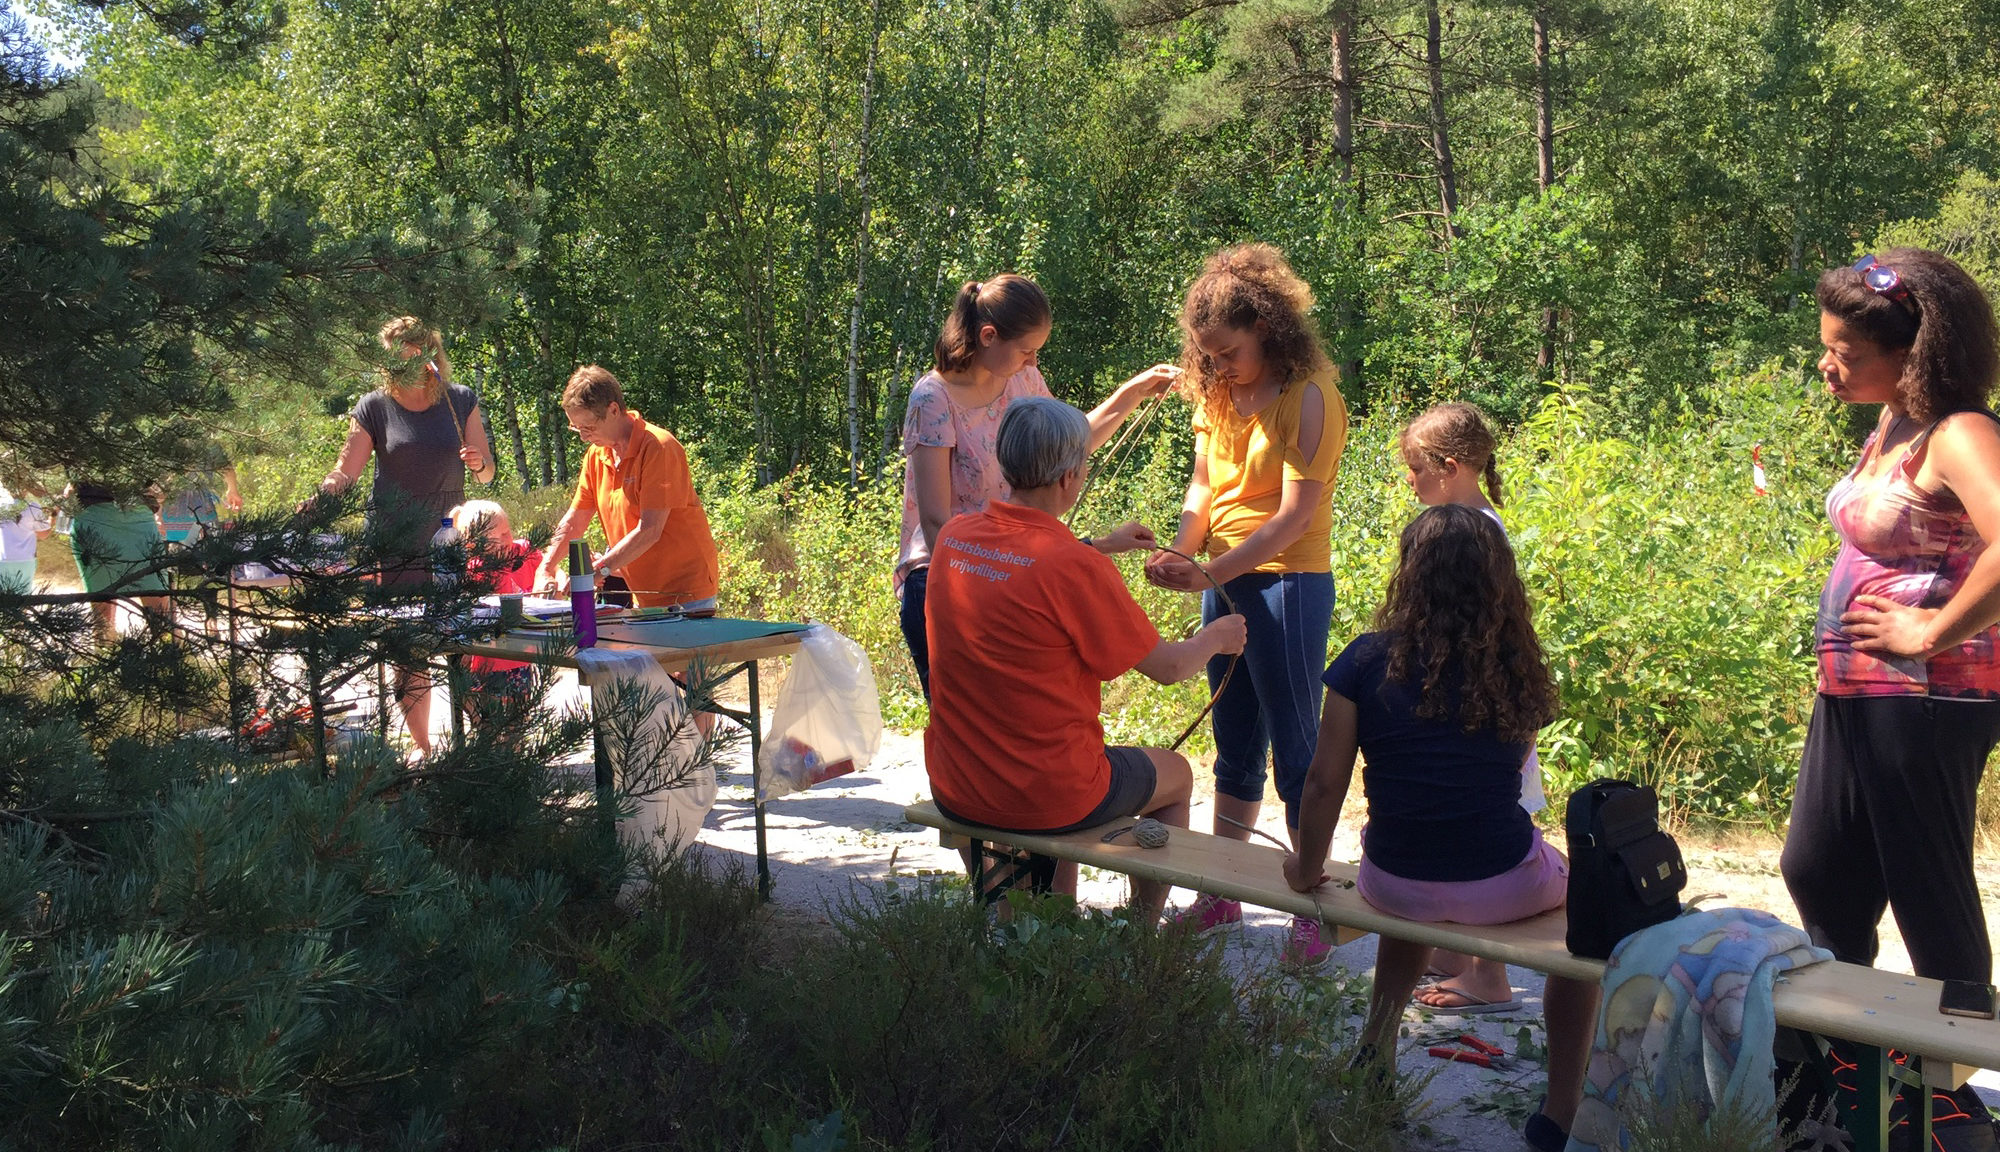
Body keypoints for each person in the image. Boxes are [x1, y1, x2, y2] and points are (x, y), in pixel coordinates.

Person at [1282, 504, 1593, 1152]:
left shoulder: (1365, 661)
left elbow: (1322, 784)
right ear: (1500, 583)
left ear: (1410, 575)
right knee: (1582, 917)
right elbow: (1503, 777)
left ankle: (1377, 1043)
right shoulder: (1519, 667)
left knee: (1421, 867)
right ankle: (1561, 1111)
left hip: (1391, 880)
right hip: (1500, 887)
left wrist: (1306, 871)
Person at [923, 398, 1247, 917]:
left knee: (1051, 799)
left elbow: (1025, 561)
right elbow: (1167, 668)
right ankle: (1142, 935)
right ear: (1071, 476)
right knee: (1177, 776)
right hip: (1049, 794)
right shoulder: (1072, 566)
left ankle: (1028, 924)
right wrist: (1218, 636)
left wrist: (1102, 544)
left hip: (956, 782)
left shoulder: (956, 538)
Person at [1781, 249, 2000, 994]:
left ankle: (1953, 1099)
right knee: (1816, 871)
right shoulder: (1894, 420)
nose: (1826, 365)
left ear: (1916, 354)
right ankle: (1849, 1070)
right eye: (1826, 347)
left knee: (1926, 892)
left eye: (1847, 353)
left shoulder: (1959, 432)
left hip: (1927, 698)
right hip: (1857, 696)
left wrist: (1930, 631)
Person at [1143, 243, 1349, 967]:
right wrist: (1180, 552)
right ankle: (1222, 894)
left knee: (1296, 748)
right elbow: (1204, 487)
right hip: (1224, 577)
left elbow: (1294, 517)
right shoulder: (1217, 393)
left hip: (1288, 582)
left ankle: (1311, 902)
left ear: (1267, 327)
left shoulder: (1311, 395)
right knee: (1234, 743)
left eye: (1227, 351)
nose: (1217, 365)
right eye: (1206, 354)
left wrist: (1210, 573)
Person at [896, 274, 1179, 698]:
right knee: (966, 727)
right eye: (1027, 350)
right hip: (947, 580)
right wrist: (986, 590)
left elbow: (1068, 438)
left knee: (1009, 732)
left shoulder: (1022, 381)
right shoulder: (933, 399)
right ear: (989, 336)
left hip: (1008, 574)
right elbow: (938, 522)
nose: (1032, 362)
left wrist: (1133, 391)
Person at [1396, 401, 1546, 1013]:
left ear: (1450, 467)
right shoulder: (1462, 523)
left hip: (1490, 708)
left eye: (1414, 468)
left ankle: (1489, 975)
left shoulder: (1482, 533)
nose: (1409, 480)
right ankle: (1456, 952)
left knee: (1501, 822)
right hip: (1462, 701)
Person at [316, 316, 497, 756]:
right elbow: (347, 471)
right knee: (407, 649)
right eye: (398, 350)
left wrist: (477, 462)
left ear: (431, 351)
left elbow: (488, 474)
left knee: (465, 641)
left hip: (452, 536)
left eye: (416, 348)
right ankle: (424, 749)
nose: (408, 357)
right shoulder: (373, 406)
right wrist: (323, 495)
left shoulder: (460, 400)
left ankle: (485, 745)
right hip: (394, 541)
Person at [533, 365, 719, 613]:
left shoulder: (658, 447)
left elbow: (650, 529)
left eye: (588, 427)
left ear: (613, 410)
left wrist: (596, 572)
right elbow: (574, 520)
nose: (583, 437)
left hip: (687, 594)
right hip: (644, 594)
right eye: (576, 428)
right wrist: (546, 566)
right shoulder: (596, 456)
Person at [449, 499, 536, 726]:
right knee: (490, 724)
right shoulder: (476, 569)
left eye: (505, 534)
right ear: (470, 545)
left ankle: (516, 757)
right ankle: (492, 754)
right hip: (487, 662)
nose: (501, 544)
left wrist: (556, 574)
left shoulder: (521, 553)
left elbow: (546, 561)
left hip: (520, 658)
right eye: (490, 541)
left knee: (519, 721)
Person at [66, 478, 170, 641]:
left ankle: (106, 658)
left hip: (98, 516)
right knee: (160, 616)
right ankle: (166, 660)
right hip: (129, 515)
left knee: (103, 610)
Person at [0, 479, 52, 593]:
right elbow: (44, 534)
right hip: (25, 560)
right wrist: (53, 516)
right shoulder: (33, 508)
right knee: (22, 599)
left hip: (2, 559)